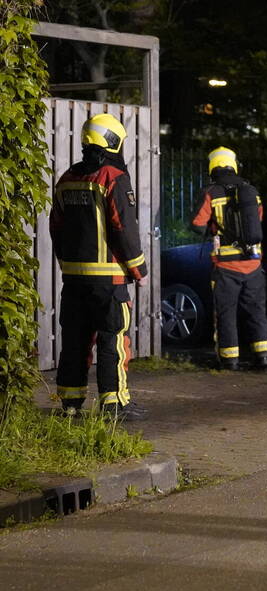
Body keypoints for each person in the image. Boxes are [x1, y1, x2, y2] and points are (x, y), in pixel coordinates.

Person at [50, 113, 148, 420]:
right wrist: (139, 270)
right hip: (109, 281)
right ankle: (114, 404)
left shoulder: (67, 178)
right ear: (114, 141)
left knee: (75, 341)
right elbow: (123, 228)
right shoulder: (113, 176)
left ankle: (70, 404)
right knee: (113, 338)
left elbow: (56, 227)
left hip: (74, 279)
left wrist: (67, 264)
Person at [191, 147, 267, 370]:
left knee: (226, 312)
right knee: (256, 310)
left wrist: (213, 228)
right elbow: (258, 221)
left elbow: (197, 224)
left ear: (212, 167)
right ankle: (263, 355)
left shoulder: (211, 192)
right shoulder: (251, 192)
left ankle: (230, 360)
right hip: (254, 262)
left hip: (226, 266)